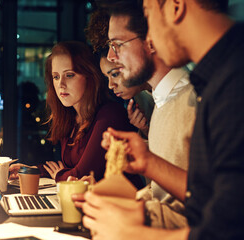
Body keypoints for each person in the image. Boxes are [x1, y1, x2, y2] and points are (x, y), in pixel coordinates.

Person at [77, 0, 244, 239]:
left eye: (148, 13)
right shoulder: (214, 81)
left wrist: (133, 232)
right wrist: (148, 161)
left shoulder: (232, 81)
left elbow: (227, 227)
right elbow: (209, 194)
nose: (150, 38)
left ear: (175, 6)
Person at [76, 0, 197, 228]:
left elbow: (204, 213)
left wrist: (129, 211)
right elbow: (160, 194)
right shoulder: (162, 102)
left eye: (117, 44)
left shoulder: (192, 101)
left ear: (150, 41)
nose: (111, 56)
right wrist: (111, 198)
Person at [9, 41, 143, 188]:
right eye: (56, 77)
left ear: (89, 76)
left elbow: (79, 176)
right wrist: (31, 171)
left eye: (69, 75)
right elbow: (66, 172)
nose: (61, 84)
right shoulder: (71, 118)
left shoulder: (109, 115)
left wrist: (60, 175)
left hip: (124, 205)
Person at [85, 9, 154, 137]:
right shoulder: (139, 100)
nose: (111, 85)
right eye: (107, 77)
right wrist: (144, 129)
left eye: (115, 74)